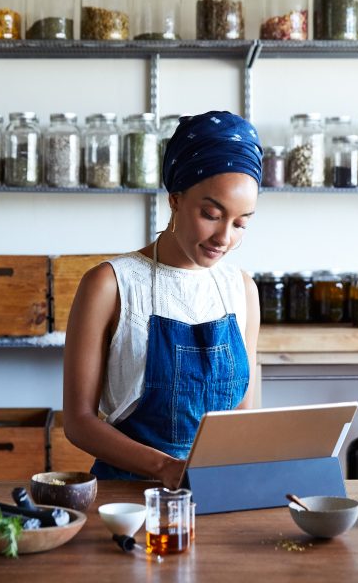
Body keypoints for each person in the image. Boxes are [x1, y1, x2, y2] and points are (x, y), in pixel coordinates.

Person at [63, 110, 263, 489]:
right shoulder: (110, 284)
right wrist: (167, 469)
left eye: (241, 224)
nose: (224, 237)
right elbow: (79, 423)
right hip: (125, 495)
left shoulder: (242, 290)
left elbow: (241, 414)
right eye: (211, 214)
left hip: (213, 492)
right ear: (175, 199)